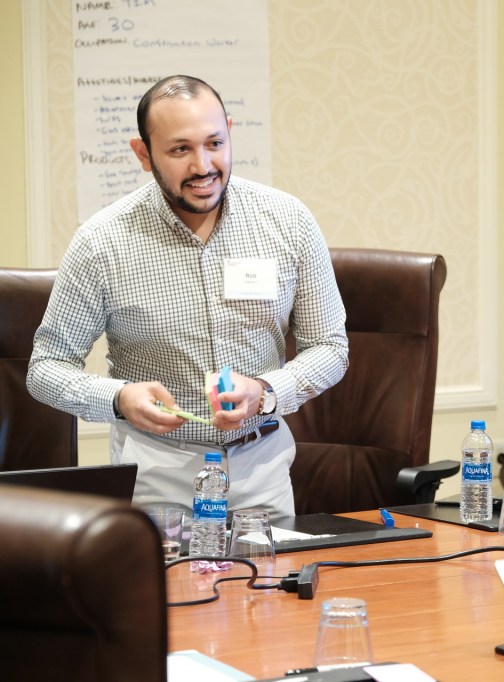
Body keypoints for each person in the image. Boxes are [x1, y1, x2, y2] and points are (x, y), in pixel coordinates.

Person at [27, 75, 349, 521]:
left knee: (268, 591)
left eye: (214, 143)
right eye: (180, 150)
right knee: (168, 593)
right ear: (144, 154)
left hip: (262, 466)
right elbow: (46, 368)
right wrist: (118, 397)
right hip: (156, 471)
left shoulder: (289, 221)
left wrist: (265, 392)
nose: (203, 165)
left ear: (230, 133)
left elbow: (330, 347)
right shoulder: (102, 243)